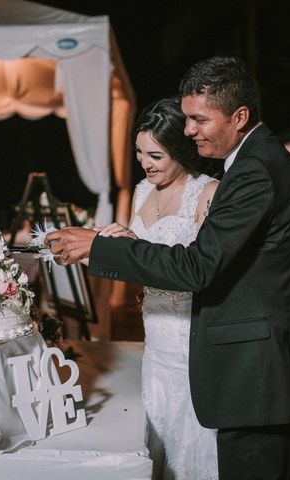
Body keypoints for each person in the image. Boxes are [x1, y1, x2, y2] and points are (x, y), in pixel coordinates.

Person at [46, 56, 290, 479]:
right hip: (251, 372)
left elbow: (197, 267)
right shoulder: (256, 161)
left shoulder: (257, 172)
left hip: (261, 379)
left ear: (239, 116)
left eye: (199, 119)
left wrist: (100, 248)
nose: (189, 128)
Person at [100, 96, 219, 479]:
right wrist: (122, 245)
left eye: (155, 155)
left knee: (195, 441)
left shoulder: (207, 193)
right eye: (139, 152)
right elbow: (141, 263)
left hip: (191, 334)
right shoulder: (139, 192)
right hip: (155, 334)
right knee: (160, 431)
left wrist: (135, 248)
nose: (145, 163)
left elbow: (204, 270)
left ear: (181, 150)